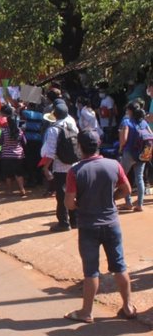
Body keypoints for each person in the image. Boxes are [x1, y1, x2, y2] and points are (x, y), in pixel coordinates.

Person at [63, 129, 136, 323]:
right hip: (112, 223)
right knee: (120, 266)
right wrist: (112, 198)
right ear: (99, 144)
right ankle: (128, 307)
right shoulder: (114, 165)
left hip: (88, 226)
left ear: (80, 147)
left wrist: (81, 204)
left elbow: (69, 203)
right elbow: (127, 190)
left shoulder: (75, 171)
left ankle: (86, 312)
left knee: (91, 271)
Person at [41, 100, 79, 232]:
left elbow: (50, 152)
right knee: (73, 192)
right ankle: (75, 221)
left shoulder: (53, 129)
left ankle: (63, 223)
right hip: (74, 164)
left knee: (61, 195)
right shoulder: (72, 123)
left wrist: (46, 167)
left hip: (60, 166)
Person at [118, 104, 150, 212]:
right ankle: (140, 204)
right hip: (142, 154)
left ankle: (128, 202)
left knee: (123, 177)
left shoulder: (127, 122)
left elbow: (124, 138)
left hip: (129, 153)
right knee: (139, 178)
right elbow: (151, 135)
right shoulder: (144, 123)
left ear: (131, 111)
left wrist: (120, 148)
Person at [0, 105, 27, 196]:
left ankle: (9, 191)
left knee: (8, 174)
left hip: (6, 155)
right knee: (19, 173)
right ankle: (22, 189)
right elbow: (25, 142)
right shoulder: (19, 131)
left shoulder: (4, 131)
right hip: (18, 155)